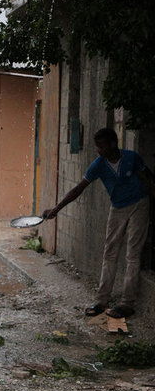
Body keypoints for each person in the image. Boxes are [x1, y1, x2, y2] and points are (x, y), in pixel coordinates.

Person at [42, 128, 153, 318]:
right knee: (110, 252)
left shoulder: (131, 157)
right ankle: (102, 301)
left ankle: (127, 304)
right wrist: (56, 209)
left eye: (101, 146)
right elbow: (78, 189)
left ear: (112, 144)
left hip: (139, 205)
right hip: (117, 208)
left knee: (132, 254)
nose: (98, 151)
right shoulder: (98, 165)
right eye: (97, 147)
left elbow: (148, 178)